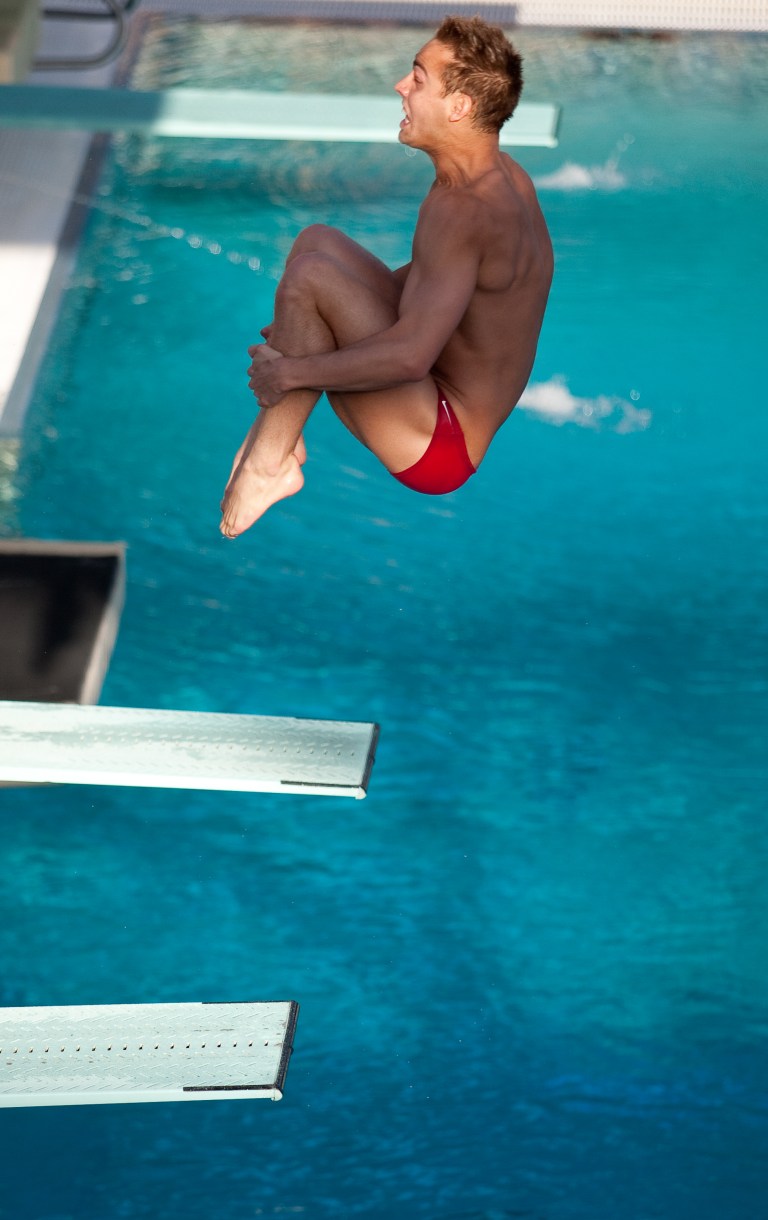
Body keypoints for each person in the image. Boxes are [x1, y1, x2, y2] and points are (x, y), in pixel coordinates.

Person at [220, 15, 553, 538]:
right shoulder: (500, 176)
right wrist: (304, 328)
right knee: (317, 242)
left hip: (440, 442)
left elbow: (409, 356)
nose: (401, 86)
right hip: (431, 396)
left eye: (418, 78)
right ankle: (280, 437)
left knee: (309, 278)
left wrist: (291, 371)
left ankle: (269, 464)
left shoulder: (462, 209)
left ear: (459, 107)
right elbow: (443, 286)